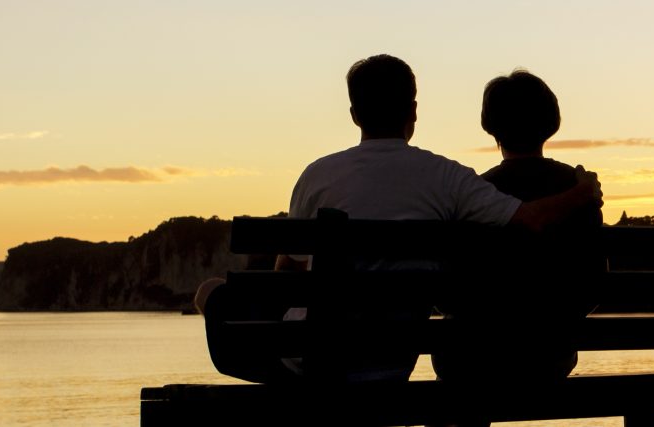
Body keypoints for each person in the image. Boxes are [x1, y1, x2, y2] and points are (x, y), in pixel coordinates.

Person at [198, 54, 602, 384]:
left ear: (355, 114)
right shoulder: (448, 179)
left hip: (314, 365)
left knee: (211, 293)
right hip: (396, 363)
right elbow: (530, 220)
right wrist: (582, 193)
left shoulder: (316, 176)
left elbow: (286, 277)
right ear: (413, 110)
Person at [430, 70, 603, 388]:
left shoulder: (475, 192)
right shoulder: (580, 189)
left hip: (475, 357)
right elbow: (592, 285)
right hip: (551, 357)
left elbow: (446, 296)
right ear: (551, 121)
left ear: (490, 125)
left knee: (461, 359)